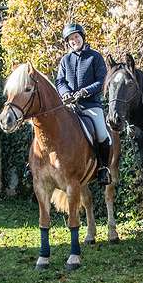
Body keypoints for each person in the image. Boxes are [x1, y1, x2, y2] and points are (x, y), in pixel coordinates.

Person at [55, 22, 112, 185]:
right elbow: (60, 81)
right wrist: (65, 93)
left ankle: (103, 168)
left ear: (82, 37)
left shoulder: (95, 57)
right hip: (69, 106)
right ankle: (34, 165)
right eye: (71, 39)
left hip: (90, 105)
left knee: (102, 134)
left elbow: (102, 81)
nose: (74, 41)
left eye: (76, 37)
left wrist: (85, 91)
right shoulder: (66, 60)